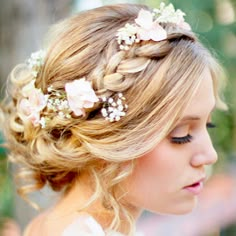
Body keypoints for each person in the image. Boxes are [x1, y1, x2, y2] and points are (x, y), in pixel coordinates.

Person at [0, 2, 227, 236]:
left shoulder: (50, 224)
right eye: (181, 135)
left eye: (208, 124)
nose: (209, 155)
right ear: (108, 138)